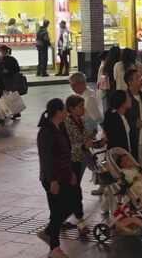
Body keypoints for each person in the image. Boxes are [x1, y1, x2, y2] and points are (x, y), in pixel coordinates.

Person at [36, 98, 81, 258]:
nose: (66, 112)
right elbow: (46, 158)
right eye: (63, 110)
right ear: (58, 112)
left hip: (64, 175)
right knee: (57, 212)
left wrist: (71, 173)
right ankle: (54, 248)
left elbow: (65, 153)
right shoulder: (46, 131)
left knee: (70, 205)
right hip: (52, 178)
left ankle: (49, 232)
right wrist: (53, 180)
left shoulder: (60, 127)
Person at [62, 95, 91, 232]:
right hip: (70, 161)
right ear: (71, 109)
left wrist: (95, 142)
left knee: (72, 190)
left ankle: (62, 218)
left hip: (79, 160)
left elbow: (84, 139)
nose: (83, 109)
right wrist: (83, 145)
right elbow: (67, 145)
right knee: (74, 191)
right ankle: (80, 221)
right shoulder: (67, 123)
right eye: (80, 106)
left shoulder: (80, 120)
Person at [125, 69, 142, 171]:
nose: (141, 80)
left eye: (141, 77)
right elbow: (122, 119)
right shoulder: (125, 98)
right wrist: (133, 123)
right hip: (132, 139)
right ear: (129, 82)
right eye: (137, 78)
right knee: (135, 169)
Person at [69, 72, 103, 137]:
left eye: (73, 85)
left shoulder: (89, 98)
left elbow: (98, 118)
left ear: (81, 83)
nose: (72, 88)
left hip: (87, 130)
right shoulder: (86, 93)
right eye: (71, 85)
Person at [0, 45, 22, 120]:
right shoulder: (7, 59)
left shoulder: (8, 59)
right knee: (10, 97)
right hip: (7, 81)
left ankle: (12, 112)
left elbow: (16, 69)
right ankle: (15, 112)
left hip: (8, 81)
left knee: (9, 97)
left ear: (4, 51)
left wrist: (8, 71)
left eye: (0, 51)